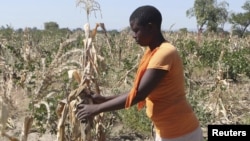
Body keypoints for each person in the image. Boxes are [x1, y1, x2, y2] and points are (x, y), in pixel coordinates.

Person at [76, 5, 203, 141]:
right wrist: (105, 99)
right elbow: (139, 92)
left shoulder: (164, 53)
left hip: (181, 133)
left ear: (150, 27)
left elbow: (139, 94)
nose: (133, 35)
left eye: (136, 30)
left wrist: (97, 109)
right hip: (167, 131)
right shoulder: (153, 52)